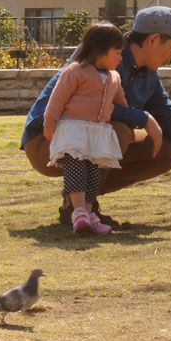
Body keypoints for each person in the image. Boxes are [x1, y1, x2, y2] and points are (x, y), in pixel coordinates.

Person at [21, 5, 171, 228]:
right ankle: (80, 208)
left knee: (164, 152)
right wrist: (142, 117)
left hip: (86, 140)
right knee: (120, 131)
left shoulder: (149, 77)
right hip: (48, 140)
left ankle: (76, 202)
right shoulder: (102, 52)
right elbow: (83, 105)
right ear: (153, 40)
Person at [43, 23, 128, 234]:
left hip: (97, 132)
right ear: (100, 51)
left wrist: (129, 118)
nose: (120, 58)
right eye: (117, 53)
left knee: (93, 174)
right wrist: (50, 121)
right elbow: (57, 98)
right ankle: (78, 211)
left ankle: (89, 215)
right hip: (73, 129)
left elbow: (121, 102)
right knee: (76, 169)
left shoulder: (114, 77)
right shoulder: (75, 71)